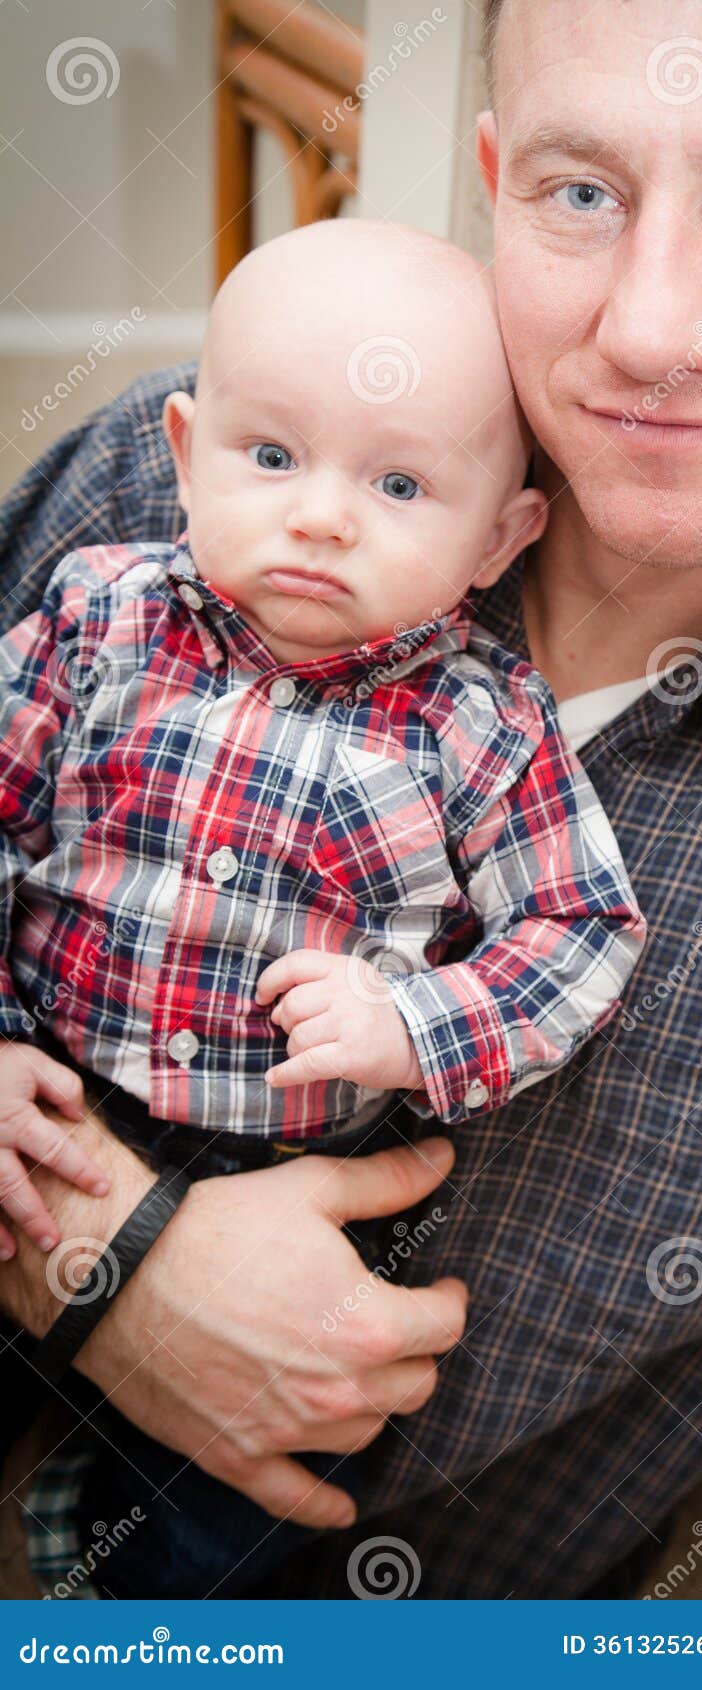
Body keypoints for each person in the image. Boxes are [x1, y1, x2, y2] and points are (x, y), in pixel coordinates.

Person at [1, 0, 702, 1601]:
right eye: (582, 191)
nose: (650, 328)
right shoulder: (184, 487)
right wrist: (86, 1262)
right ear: (497, 185)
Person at [0, 220, 645, 1594]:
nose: (322, 515)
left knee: (252, 1493)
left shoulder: (481, 725)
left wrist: (419, 1023)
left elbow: (580, 927)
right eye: (272, 456)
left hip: (284, 1170)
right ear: (186, 454)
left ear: (501, 536)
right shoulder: (100, 619)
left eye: (400, 483)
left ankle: (125, 1596)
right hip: (45, 1087)